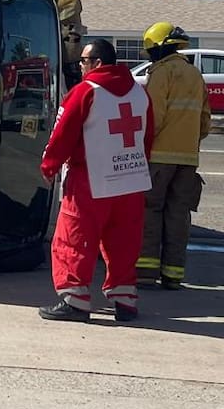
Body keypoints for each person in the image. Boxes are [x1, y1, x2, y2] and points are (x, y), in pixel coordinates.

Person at [38, 38, 154, 322]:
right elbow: (147, 137)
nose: (80, 66)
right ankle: (125, 300)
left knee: (74, 238)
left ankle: (75, 300)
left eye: (83, 61)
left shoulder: (85, 92)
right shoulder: (140, 94)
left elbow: (62, 133)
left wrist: (49, 164)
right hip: (131, 180)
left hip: (90, 178)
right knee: (124, 242)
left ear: (97, 63)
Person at [136, 22, 212, 289]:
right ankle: (173, 274)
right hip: (188, 159)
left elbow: (153, 117)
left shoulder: (161, 73)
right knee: (179, 215)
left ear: (157, 48)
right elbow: (205, 121)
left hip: (159, 157)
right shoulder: (194, 74)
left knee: (150, 210)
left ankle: (146, 272)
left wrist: (141, 147)